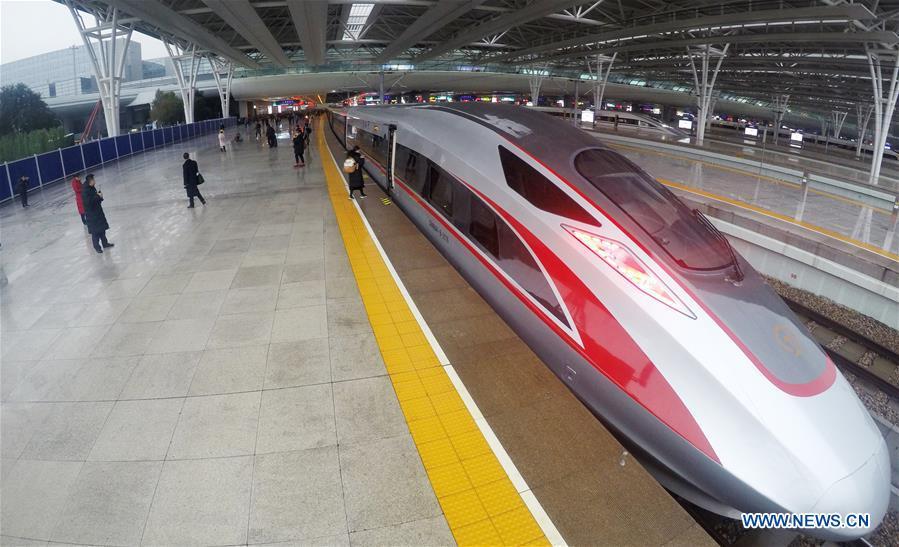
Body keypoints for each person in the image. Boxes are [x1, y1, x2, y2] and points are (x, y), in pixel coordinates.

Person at [81, 174, 113, 253]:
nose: (95, 181)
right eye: (93, 180)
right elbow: (89, 203)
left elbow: (95, 199)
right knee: (95, 233)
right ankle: (97, 247)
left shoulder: (92, 188)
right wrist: (97, 197)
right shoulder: (85, 191)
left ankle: (105, 243)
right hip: (92, 215)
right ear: (90, 181)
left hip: (98, 213)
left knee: (102, 230)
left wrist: (100, 197)